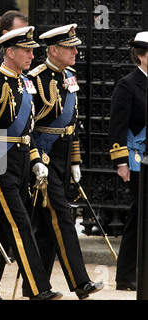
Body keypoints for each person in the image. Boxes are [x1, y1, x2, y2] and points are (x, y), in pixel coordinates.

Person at [0, 26, 61, 300]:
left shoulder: (24, 83)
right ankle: (38, 288)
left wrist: (34, 160)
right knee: (21, 225)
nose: (32, 55)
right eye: (26, 50)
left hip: (21, 163)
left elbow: (26, 130)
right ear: (10, 52)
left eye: (33, 50)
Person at [26, 24, 104, 299]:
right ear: (53, 50)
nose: (75, 51)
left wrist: (75, 161)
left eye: (75, 46)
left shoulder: (69, 76)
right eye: (69, 47)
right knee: (62, 217)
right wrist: (37, 160)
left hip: (63, 154)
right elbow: (28, 125)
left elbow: (72, 124)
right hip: (43, 156)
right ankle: (81, 282)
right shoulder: (34, 79)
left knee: (49, 227)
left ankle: (37, 288)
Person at [108, 31, 148, 291]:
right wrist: (121, 162)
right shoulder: (128, 83)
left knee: (139, 214)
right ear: (142, 55)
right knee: (141, 213)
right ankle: (126, 273)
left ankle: (128, 273)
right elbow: (117, 125)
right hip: (135, 158)